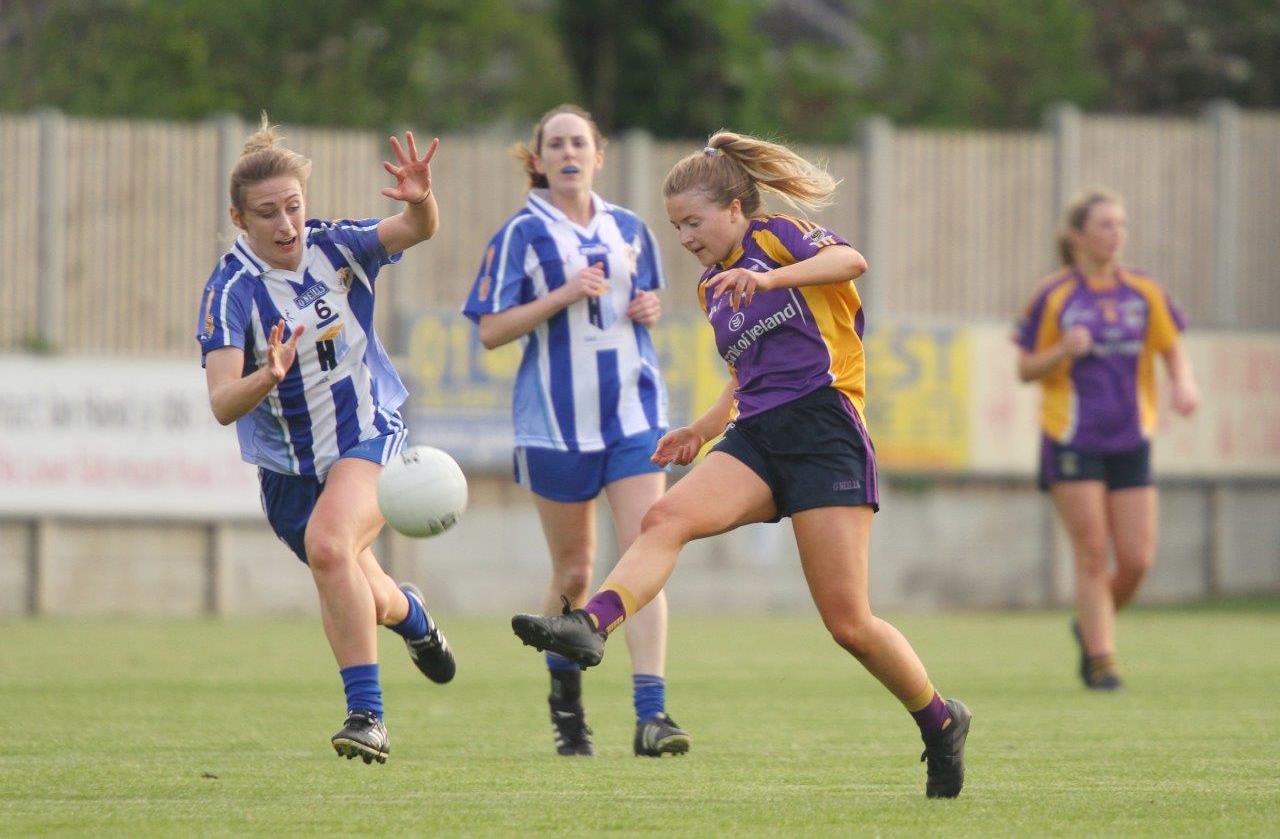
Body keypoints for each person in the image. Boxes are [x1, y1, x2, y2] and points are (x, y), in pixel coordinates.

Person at [510, 131, 972, 798]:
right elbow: (746, 373)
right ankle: (590, 625)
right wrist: (703, 427)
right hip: (756, 435)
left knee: (849, 623)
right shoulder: (710, 288)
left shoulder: (777, 236)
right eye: (676, 227)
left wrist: (770, 275)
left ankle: (939, 720)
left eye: (693, 222)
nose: (685, 237)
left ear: (734, 209)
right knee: (664, 515)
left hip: (825, 429)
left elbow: (853, 260)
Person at [196, 115, 456, 765]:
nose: (285, 225)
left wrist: (422, 199)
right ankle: (414, 618)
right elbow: (223, 402)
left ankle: (366, 716)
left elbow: (416, 230)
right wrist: (268, 374)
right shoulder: (230, 292)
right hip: (287, 475)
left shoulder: (337, 247)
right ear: (239, 218)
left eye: (293, 207)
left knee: (330, 544)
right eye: (267, 214)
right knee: (356, 578)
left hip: (366, 435)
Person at [462, 104, 690, 758]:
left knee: (645, 550)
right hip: (556, 424)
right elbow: (490, 329)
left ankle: (653, 715)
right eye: (555, 143)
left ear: (599, 154)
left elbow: (645, 301)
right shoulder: (520, 234)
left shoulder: (630, 229)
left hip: (634, 414)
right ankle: (567, 707)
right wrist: (561, 294)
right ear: (537, 160)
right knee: (576, 568)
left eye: (578, 142)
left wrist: (650, 306)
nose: (568, 152)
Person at [1015, 189, 1199, 691]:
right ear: (1078, 236)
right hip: (1072, 437)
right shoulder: (1054, 295)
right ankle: (1102, 660)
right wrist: (1060, 352)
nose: (1116, 234)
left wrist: (1183, 381)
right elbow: (1025, 368)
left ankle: (1091, 623)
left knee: (1138, 560)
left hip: (1131, 436)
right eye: (1105, 225)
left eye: (1121, 224)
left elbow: (1170, 347)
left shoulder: (1143, 291)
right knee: (1093, 554)